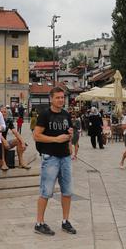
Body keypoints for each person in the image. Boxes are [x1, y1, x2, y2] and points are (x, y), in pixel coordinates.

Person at [33, 87, 76, 236]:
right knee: (46, 191)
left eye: (62, 97)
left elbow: (68, 133)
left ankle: (65, 221)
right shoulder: (45, 115)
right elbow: (36, 135)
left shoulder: (66, 115)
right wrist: (55, 139)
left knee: (68, 191)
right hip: (50, 157)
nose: (61, 100)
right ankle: (39, 223)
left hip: (65, 157)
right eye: (57, 97)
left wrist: (70, 139)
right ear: (51, 99)